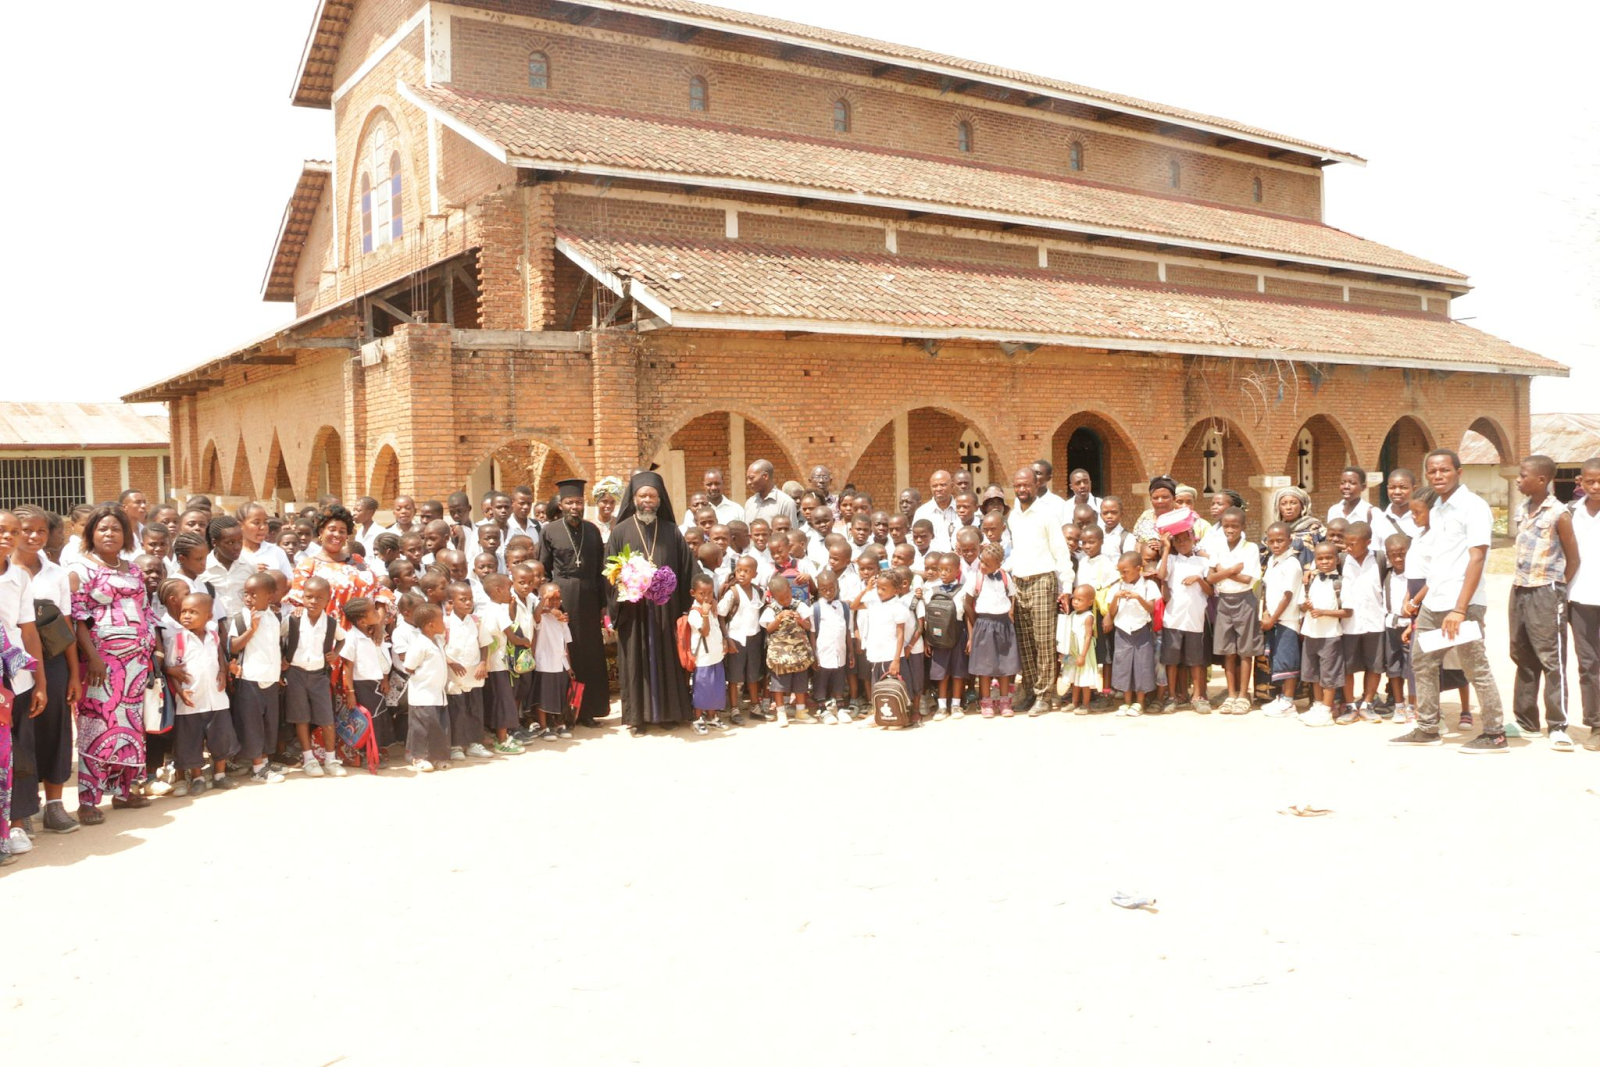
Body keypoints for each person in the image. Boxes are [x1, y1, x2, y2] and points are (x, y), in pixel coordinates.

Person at [1391, 450, 1508, 753]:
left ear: (1459, 472)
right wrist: (1424, 604)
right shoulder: (1439, 508)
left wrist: (1460, 609)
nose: (1438, 476)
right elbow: (1440, 561)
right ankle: (1428, 728)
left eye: (1444, 470)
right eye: (1432, 471)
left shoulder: (1473, 507)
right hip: (1435, 602)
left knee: (1475, 667)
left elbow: (1477, 557)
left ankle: (1495, 733)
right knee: (1422, 661)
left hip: (1462, 603)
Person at [66, 505, 155, 824]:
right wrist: (93, 657)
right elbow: (77, 619)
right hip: (100, 664)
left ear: (126, 534)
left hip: (135, 663)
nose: (109, 534)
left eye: (116, 529)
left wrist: (148, 648)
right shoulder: (79, 569)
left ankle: (124, 791)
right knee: (96, 726)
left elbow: (145, 610)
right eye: (102, 528)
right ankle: (88, 800)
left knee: (129, 725)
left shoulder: (134, 570)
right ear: (91, 533)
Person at [9, 507, 81, 836]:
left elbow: (66, 624)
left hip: (51, 661)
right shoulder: (7, 572)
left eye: (41, 530)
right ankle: (22, 809)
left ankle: (54, 805)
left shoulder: (56, 574)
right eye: (26, 529)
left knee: (55, 730)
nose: (34, 536)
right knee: (19, 737)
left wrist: (73, 674)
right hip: (12, 664)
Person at [607, 472, 695, 735]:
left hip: (666, 609)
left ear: (660, 500)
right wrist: (626, 587)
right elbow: (609, 572)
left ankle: (668, 713)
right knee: (636, 663)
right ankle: (637, 718)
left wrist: (684, 606)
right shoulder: (620, 531)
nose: (647, 500)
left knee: (667, 658)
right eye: (642, 495)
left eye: (652, 496)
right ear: (634, 499)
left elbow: (687, 569)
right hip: (633, 611)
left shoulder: (671, 531)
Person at [1507, 455, 1579, 748]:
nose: (1518, 479)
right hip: (1520, 589)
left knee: (1552, 659)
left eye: (1523, 475)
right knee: (1522, 656)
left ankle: (1558, 725)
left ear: (1541, 480)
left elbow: (1573, 558)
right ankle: (1526, 721)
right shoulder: (1522, 509)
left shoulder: (1559, 513)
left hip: (1546, 592)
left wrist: (1556, 588)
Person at [540, 479, 611, 727]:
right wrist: (550, 604)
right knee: (567, 653)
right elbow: (544, 570)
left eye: (579, 503)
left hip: (590, 597)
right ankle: (565, 712)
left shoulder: (592, 531)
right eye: (570, 502)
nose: (575, 507)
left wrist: (603, 603)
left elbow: (601, 570)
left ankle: (588, 710)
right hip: (563, 598)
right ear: (561, 505)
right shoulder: (549, 531)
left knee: (590, 654)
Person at [1005, 466, 1074, 713]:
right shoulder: (1013, 515)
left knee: (1044, 641)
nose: (1022, 489)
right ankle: (1030, 690)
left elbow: (1060, 551)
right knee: (1025, 641)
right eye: (1018, 485)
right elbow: (1016, 551)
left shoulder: (1046, 514)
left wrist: (1067, 585)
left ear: (1036, 485)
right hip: (1019, 582)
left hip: (1043, 580)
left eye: (1027, 485)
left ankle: (1044, 695)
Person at [165, 592, 238, 796]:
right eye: (184, 612)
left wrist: (223, 671)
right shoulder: (178, 640)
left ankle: (219, 775)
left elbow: (220, 656)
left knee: (221, 738)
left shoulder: (213, 635)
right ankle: (197, 778)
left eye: (193, 612)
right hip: (191, 702)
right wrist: (181, 692)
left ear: (208, 616)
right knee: (191, 741)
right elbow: (171, 669)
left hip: (216, 698)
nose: (186, 616)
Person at [283, 575, 345, 778]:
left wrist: (335, 654)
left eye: (319, 598)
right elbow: (278, 638)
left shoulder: (331, 623)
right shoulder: (292, 619)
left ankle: (331, 759)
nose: (313, 601)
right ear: (302, 597)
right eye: (309, 597)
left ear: (328, 600)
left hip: (319, 675)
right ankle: (309, 759)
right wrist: (283, 659)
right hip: (296, 674)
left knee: (326, 718)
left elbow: (342, 640)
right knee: (301, 718)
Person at [227, 572, 285, 783]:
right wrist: (251, 630)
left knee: (269, 722)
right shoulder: (240, 618)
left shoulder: (275, 617)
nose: (248, 598)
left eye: (254, 594)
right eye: (246, 593)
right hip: (250, 678)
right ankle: (257, 768)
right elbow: (233, 646)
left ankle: (265, 762)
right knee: (253, 724)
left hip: (271, 677)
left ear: (269, 596)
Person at [1207, 507, 1263, 714]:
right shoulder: (1217, 546)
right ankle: (1231, 694)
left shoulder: (1250, 548)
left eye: (1235, 526)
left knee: (1245, 650)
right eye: (1226, 526)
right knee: (1228, 650)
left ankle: (1243, 695)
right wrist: (1231, 570)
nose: (1230, 530)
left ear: (1243, 526)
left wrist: (1222, 571)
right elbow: (1210, 578)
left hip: (1245, 600)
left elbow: (1247, 579)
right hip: (1224, 600)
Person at [1157, 519, 1211, 713]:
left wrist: (1198, 579)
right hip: (1173, 618)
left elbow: (1210, 591)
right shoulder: (1172, 560)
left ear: (1193, 539)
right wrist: (1165, 549)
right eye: (1177, 540)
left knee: (1196, 660)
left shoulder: (1203, 562)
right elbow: (1161, 575)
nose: (1182, 543)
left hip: (1195, 618)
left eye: (1185, 539)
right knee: (1172, 660)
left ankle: (1197, 697)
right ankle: (1172, 696)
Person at [1337, 521, 1387, 724]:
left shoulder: (1380, 560)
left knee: (1374, 665)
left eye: (1353, 544)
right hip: (1349, 624)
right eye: (1346, 543)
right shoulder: (1341, 560)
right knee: (1347, 667)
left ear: (1367, 542)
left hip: (1375, 622)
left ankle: (1367, 704)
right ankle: (1350, 706)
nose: (1348, 547)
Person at [1566, 457, 1600, 751]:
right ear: (1581, 482)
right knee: (1588, 665)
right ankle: (1597, 725)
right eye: (1590, 481)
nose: (1596, 486)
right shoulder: (1570, 513)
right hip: (1580, 599)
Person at [963, 542, 1019, 718]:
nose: (982, 566)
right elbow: (967, 604)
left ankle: (1004, 701)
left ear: (998, 564)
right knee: (985, 666)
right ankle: (986, 701)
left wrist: (1010, 614)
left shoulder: (1005, 577)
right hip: (984, 623)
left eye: (987, 564)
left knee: (1005, 664)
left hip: (1003, 624)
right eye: (982, 561)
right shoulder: (975, 578)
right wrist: (976, 626)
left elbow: (1012, 596)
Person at [1300, 542, 1350, 727]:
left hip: (1330, 635)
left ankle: (1327, 711)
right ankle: (1318, 705)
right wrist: (1305, 606)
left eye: (1329, 558)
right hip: (1311, 633)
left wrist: (1323, 612)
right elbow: (1301, 606)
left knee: (1329, 675)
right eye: (1320, 558)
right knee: (1314, 674)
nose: (1325, 562)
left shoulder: (1341, 583)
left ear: (1337, 560)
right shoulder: (1311, 580)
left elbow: (1347, 612)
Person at [443, 581, 494, 760]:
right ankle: (456, 745)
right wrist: (450, 662)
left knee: (475, 709)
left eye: (470, 599)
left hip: (474, 674)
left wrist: (483, 663)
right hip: (454, 676)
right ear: (451, 603)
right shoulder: (445, 623)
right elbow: (438, 647)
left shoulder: (476, 621)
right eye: (463, 599)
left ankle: (474, 743)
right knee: (456, 711)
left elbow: (485, 644)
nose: (468, 603)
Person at [1259, 523, 1305, 719]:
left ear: (1290, 540)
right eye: (1272, 541)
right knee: (1278, 659)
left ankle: (1288, 702)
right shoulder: (1272, 561)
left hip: (1287, 620)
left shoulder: (1292, 563)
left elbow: (1287, 595)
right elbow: (1269, 590)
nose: (1276, 545)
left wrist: (1273, 618)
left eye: (1280, 540)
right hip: (1275, 619)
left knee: (1288, 662)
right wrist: (1266, 614)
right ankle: (1282, 698)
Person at [1106, 551, 1158, 716]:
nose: (1122, 575)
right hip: (1122, 632)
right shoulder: (1117, 586)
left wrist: (1138, 597)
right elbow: (1111, 612)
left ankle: (1139, 703)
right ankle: (1126, 702)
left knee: (1142, 666)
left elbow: (1151, 609)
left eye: (1126, 571)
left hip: (1142, 631)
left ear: (1138, 569)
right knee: (1123, 666)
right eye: (1120, 572)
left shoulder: (1149, 585)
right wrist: (1116, 598)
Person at [401, 603, 451, 772]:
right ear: (431, 625)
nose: (444, 623)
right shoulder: (420, 644)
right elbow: (409, 666)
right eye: (441, 620)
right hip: (423, 694)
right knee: (421, 728)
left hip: (438, 694)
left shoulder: (438, 641)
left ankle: (436, 757)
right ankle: (418, 758)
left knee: (438, 727)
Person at [761, 576, 815, 727]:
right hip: (780, 656)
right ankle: (781, 713)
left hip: (799, 654)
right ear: (773, 597)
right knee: (779, 685)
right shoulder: (771, 609)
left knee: (800, 683)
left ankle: (800, 712)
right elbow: (768, 629)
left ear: (791, 590)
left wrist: (801, 621)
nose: (785, 601)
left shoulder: (800, 606)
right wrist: (778, 618)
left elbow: (809, 626)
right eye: (781, 599)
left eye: (787, 596)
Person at [684, 572, 729, 734]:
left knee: (716, 688)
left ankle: (712, 717)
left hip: (716, 655)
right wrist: (704, 613)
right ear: (693, 593)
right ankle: (697, 719)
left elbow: (716, 627)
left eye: (710, 593)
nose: (706, 597)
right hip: (703, 658)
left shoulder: (711, 606)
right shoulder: (695, 612)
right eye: (702, 593)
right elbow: (705, 631)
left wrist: (724, 640)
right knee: (702, 689)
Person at [1326, 466, 1395, 543]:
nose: (1346, 487)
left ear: (1363, 487)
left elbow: (1389, 541)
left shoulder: (1373, 513)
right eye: (1343, 483)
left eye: (1352, 483)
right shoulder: (1334, 511)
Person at [1273, 486, 1326, 566]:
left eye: (1293, 503)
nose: (1288, 507)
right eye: (1283, 504)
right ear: (1278, 508)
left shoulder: (1316, 530)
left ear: (1302, 506)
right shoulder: (1275, 531)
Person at [744, 459, 799, 527]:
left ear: (765, 476)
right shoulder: (750, 503)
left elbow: (792, 532)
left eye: (751, 478)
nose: (748, 482)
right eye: (747, 479)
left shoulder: (786, 503)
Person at [913, 470, 958, 551]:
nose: (939, 489)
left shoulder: (961, 510)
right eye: (934, 486)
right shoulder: (922, 512)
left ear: (952, 486)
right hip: (930, 557)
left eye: (943, 485)